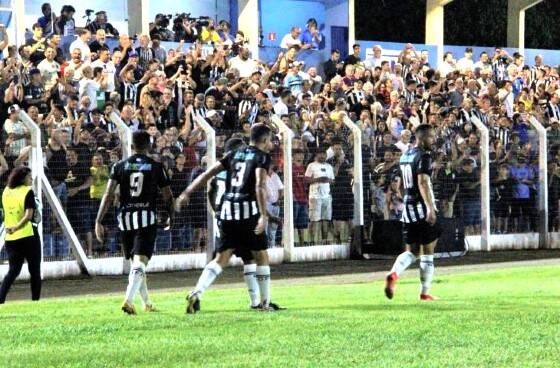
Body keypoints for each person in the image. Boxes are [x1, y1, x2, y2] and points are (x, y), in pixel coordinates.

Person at [176, 123, 284, 313]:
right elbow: (259, 185)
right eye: (270, 140)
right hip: (248, 212)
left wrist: (186, 193)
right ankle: (265, 304)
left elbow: (207, 174)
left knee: (221, 258)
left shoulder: (233, 154)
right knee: (261, 256)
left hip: (226, 213)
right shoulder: (262, 157)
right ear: (265, 139)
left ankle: (197, 292)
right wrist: (262, 215)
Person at [95, 130, 175, 314]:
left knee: (136, 265)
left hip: (125, 220)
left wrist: (98, 220)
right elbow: (168, 195)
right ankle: (128, 301)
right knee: (140, 262)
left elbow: (108, 195)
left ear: (130, 146)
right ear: (149, 146)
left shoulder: (119, 166)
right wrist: (172, 214)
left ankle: (147, 303)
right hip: (146, 219)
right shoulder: (156, 166)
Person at [384, 123, 441, 301]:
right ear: (422, 138)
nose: (434, 140)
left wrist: (408, 201)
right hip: (422, 207)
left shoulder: (405, 156)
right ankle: (425, 292)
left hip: (408, 208)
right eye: (431, 137)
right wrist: (429, 208)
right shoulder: (424, 156)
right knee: (427, 251)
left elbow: (399, 187)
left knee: (412, 251)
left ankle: (394, 273)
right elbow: (423, 182)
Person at [0, 167, 41, 304]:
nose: (32, 179)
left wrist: (12, 229)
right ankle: (35, 300)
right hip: (28, 236)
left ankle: (1, 299)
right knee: (34, 270)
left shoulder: (6, 191)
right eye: (30, 176)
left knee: (13, 271)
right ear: (23, 178)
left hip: (11, 238)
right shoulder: (27, 192)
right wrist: (17, 227)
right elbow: (28, 216)